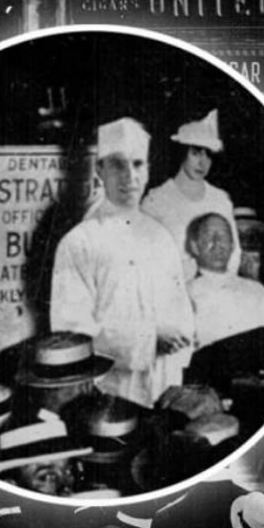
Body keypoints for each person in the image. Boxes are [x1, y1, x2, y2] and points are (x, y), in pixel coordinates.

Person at [51, 118, 195, 407]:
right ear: (100, 170)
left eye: (138, 164)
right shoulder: (79, 243)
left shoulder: (160, 237)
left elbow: (180, 312)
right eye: (118, 165)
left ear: (148, 170)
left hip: (163, 389)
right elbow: (71, 335)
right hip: (106, 397)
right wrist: (147, 340)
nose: (130, 176)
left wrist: (177, 335)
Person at [141, 109, 240, 278]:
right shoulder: (156, 201)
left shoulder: (220, 200)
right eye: (195, 153)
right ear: (182, 152)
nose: (202, 163)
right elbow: (143, 257)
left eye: (208, 156)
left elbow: (234, 254)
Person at [186, 213, 264, 348]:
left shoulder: (260, 294)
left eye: (223, 236)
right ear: (194, 246)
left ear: (233, 245)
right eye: (208, 235)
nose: (217, 243)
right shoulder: (183, 295)